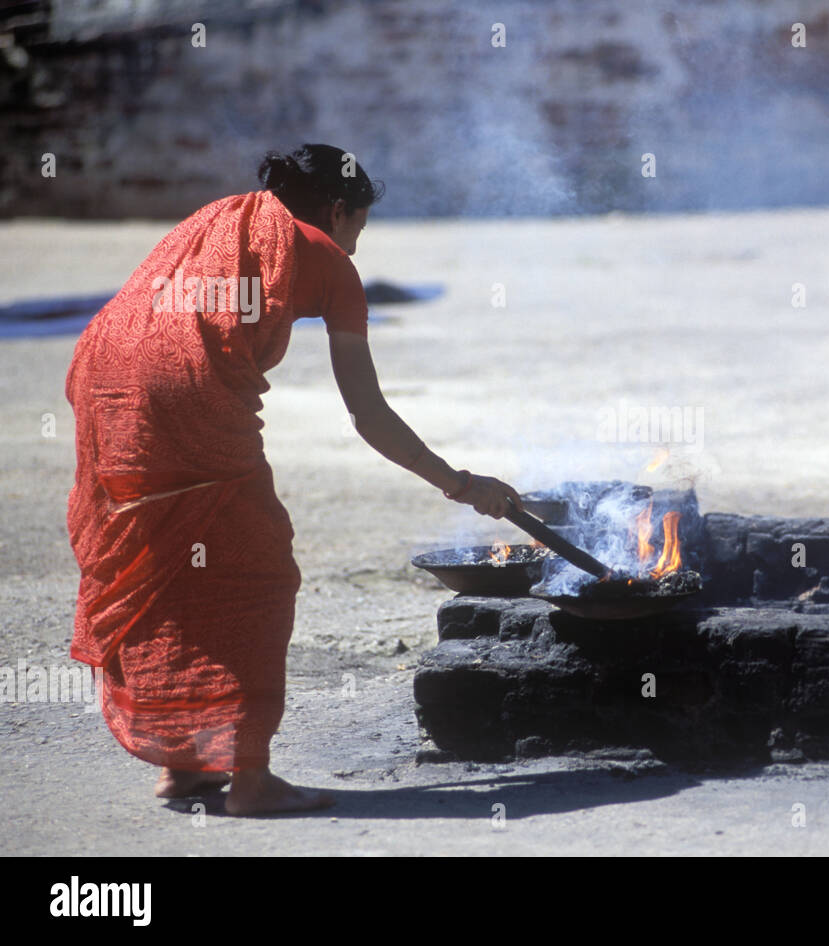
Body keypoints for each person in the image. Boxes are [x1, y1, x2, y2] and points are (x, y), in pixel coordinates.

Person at [65, 143, 521, 815]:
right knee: (257, 575)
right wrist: (460, 483)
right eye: (358, 229)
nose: (356, 249)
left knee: (174, 569)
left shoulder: (219, 216)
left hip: (103, 379)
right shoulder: (328, 260)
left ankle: (185, 766)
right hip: (183, 399)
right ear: (338, 211)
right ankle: (248, 779)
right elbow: (368, 414)